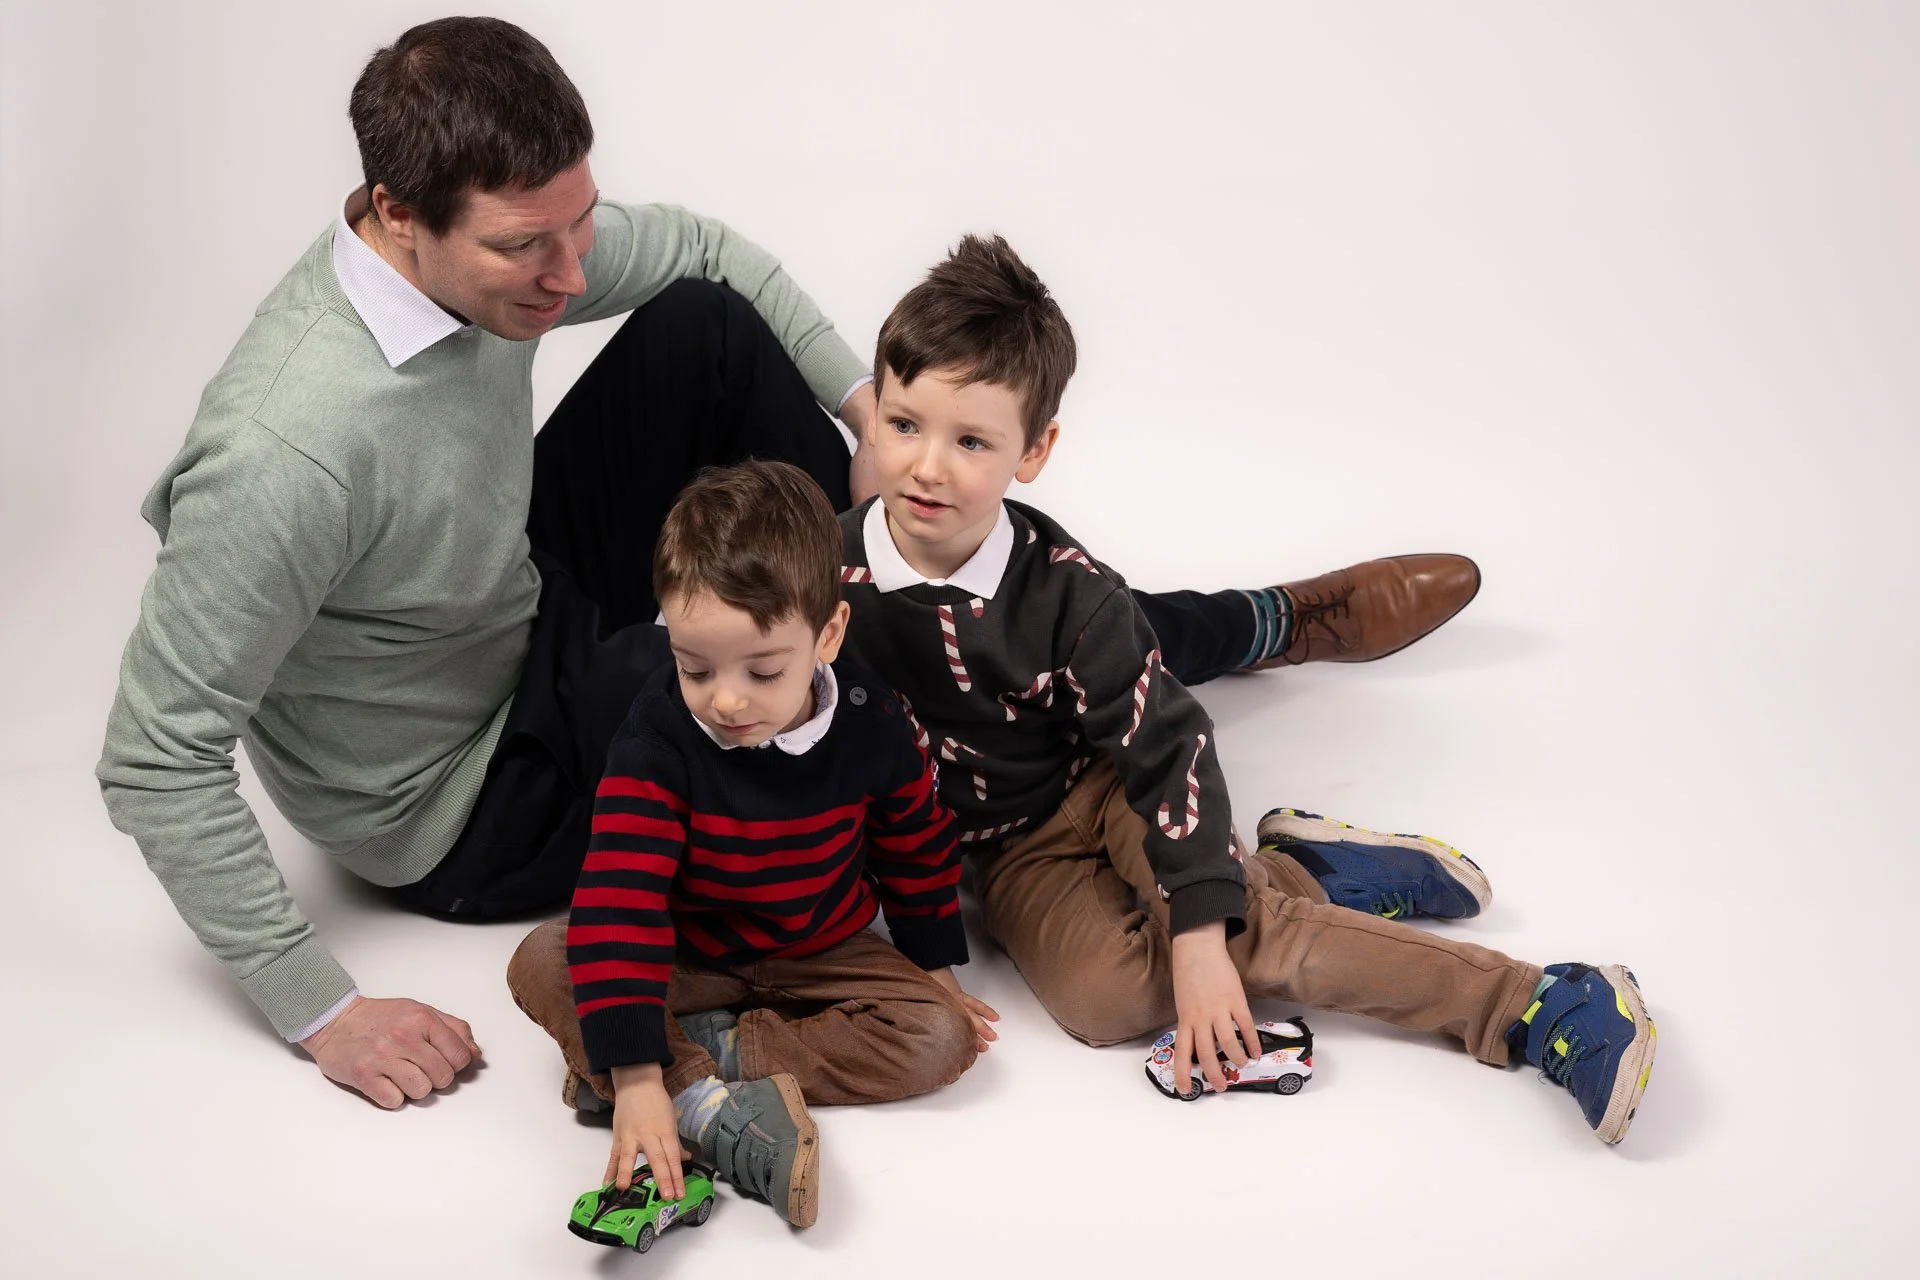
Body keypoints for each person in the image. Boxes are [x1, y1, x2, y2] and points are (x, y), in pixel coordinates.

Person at [94, 16, 1478, 1110]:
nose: (573, 274)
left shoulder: (502, 251)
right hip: (464, 783)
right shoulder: (289, 452)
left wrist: (877, 440)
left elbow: (696, 247)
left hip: (504, 594)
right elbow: (154, 758)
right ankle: (1227, 636)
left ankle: (1120, 627)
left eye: (582, 222)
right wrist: (321, 1010)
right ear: (398, 214)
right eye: (532, 249)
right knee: (831, 658)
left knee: (698, 325)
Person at [831, 233, 1657, 1144]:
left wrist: (1194, 927)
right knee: (1102, 1002)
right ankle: (1309, 872)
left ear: (1034, 451)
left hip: (1115, 782)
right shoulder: (825, 575)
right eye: (905, 425)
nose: (927, 467)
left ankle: (1531, 1004)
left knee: (1235, 935)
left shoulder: (1071, 592)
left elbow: (1165, 741)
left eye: (972, 440)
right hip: (1006, 848)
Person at [506, 460, 991, 1228]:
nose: (726, 701)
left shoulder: (872, 721)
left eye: (764, 671)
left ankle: (695, 1055)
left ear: (827, 635)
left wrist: (932, 962)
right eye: (694, 667)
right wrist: (638, 1079)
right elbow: (620, 900)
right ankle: (684, 1093)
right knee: (546, 957)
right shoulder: (657, 738)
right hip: (697, 950)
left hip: (825, 949)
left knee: (942, 1036)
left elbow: (916, 839)